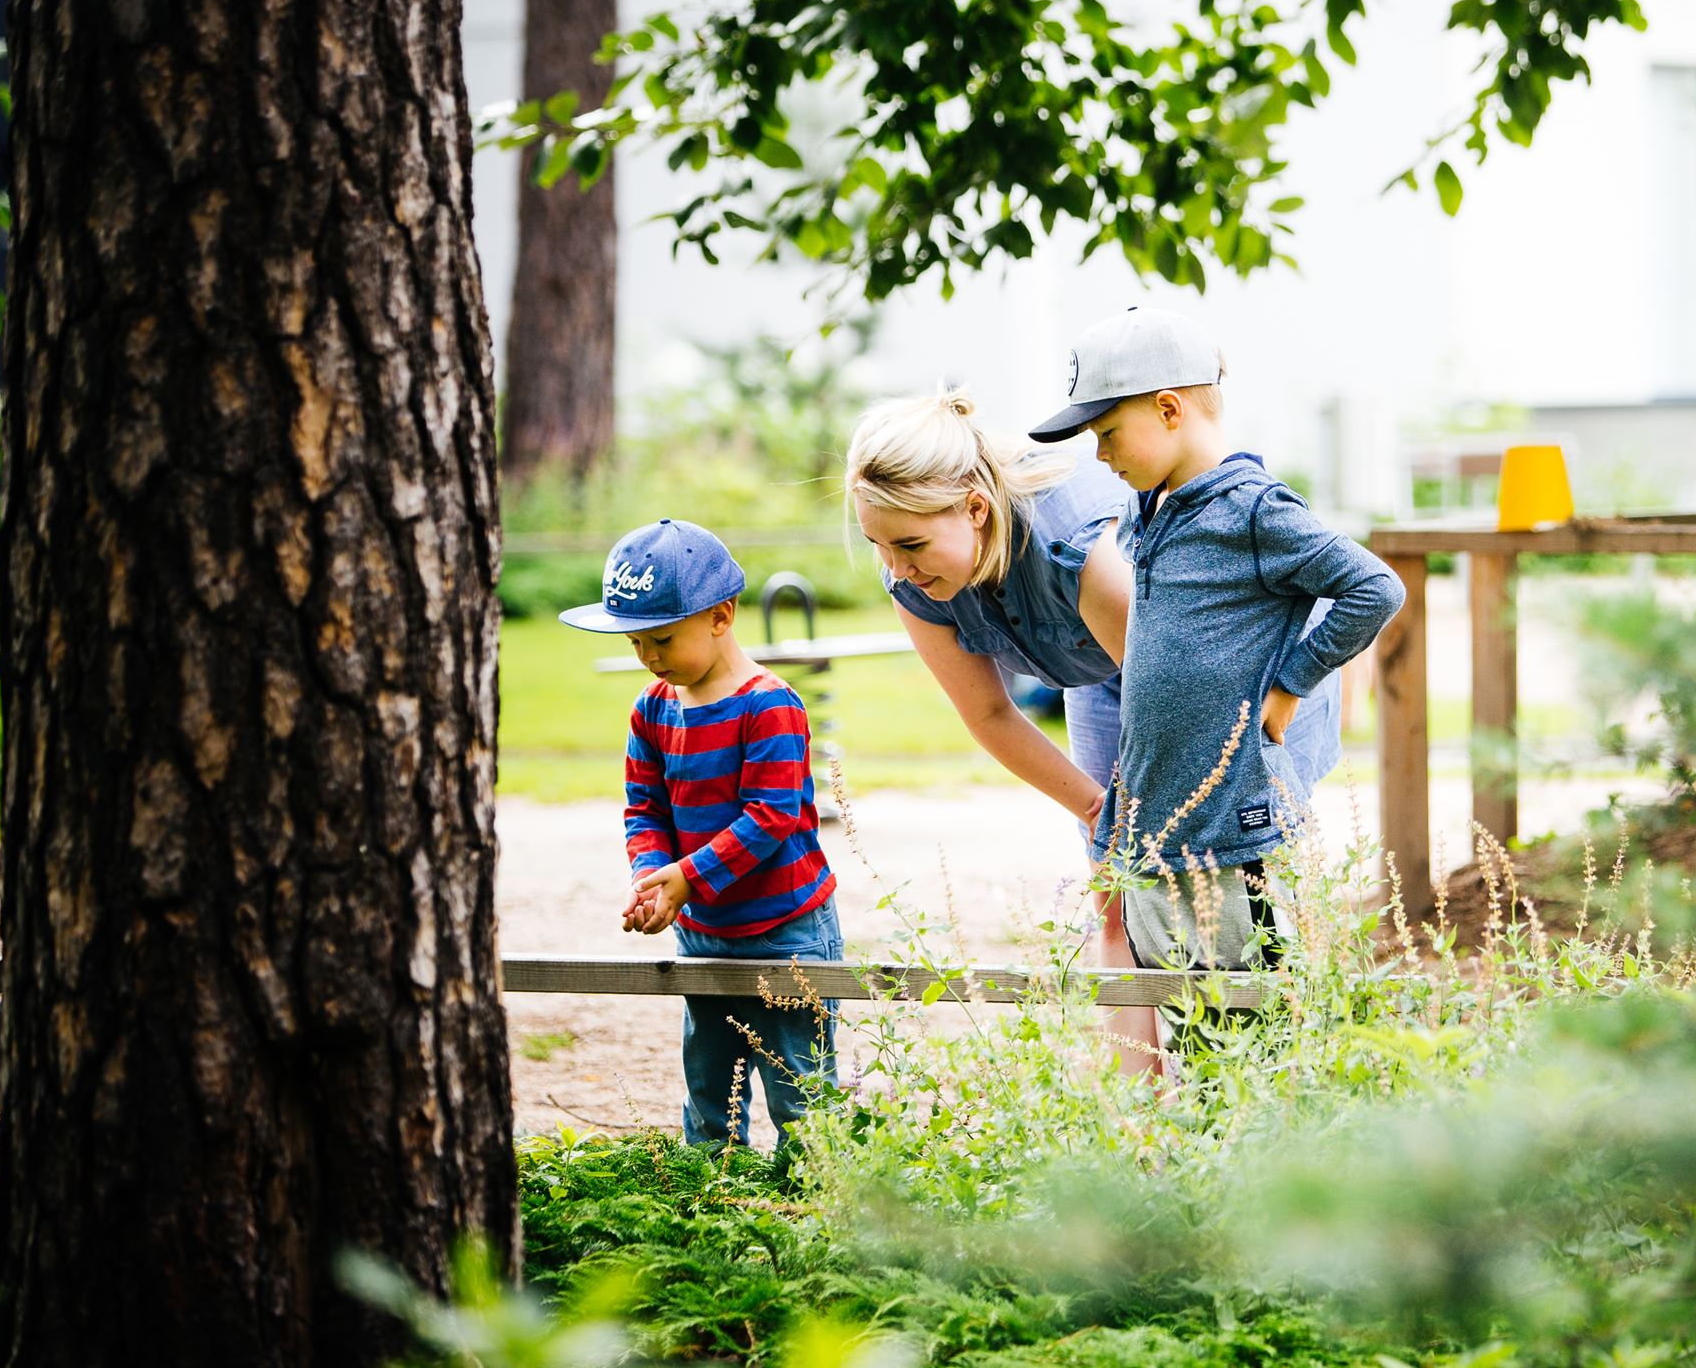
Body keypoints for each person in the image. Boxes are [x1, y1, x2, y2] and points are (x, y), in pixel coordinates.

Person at [1026, 307, 1406, 980]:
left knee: (1254, 1011)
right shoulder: (1149, 508)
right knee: (1186, 1016)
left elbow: (1375, 588)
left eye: (1108, 433)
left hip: (1237, 839)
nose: (1100, 456)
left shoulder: (1255, 508)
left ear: (1170, 409)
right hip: (1161, 839)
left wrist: (1292, 681)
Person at [843, 390, 1160, 1068]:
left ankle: (1241, 1091)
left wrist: (1152, 817)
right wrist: (1100, 812)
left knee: (1210, 877)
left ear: (976, 510)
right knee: (1115, 887)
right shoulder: (912, 581)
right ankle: (1141, 1105)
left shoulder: (1083, 550)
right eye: (879, 544)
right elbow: (989, 713)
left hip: (1221, 675)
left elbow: (1169, 697)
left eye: (911, 544)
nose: (896, 568)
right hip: (1100, 668)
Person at [559, 518, 842, 1147]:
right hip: (704, 931)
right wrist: (652, 879)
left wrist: (687, 877)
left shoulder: (769, 706)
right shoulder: (651, 709)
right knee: (711, 1086)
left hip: (785, 930)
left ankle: (817, 1193)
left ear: (721, 616)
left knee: (802, 1092)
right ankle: (713, 1186)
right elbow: (644, 809)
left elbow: (770, 816)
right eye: (636, 642)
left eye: (662, 638)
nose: (649, 656)